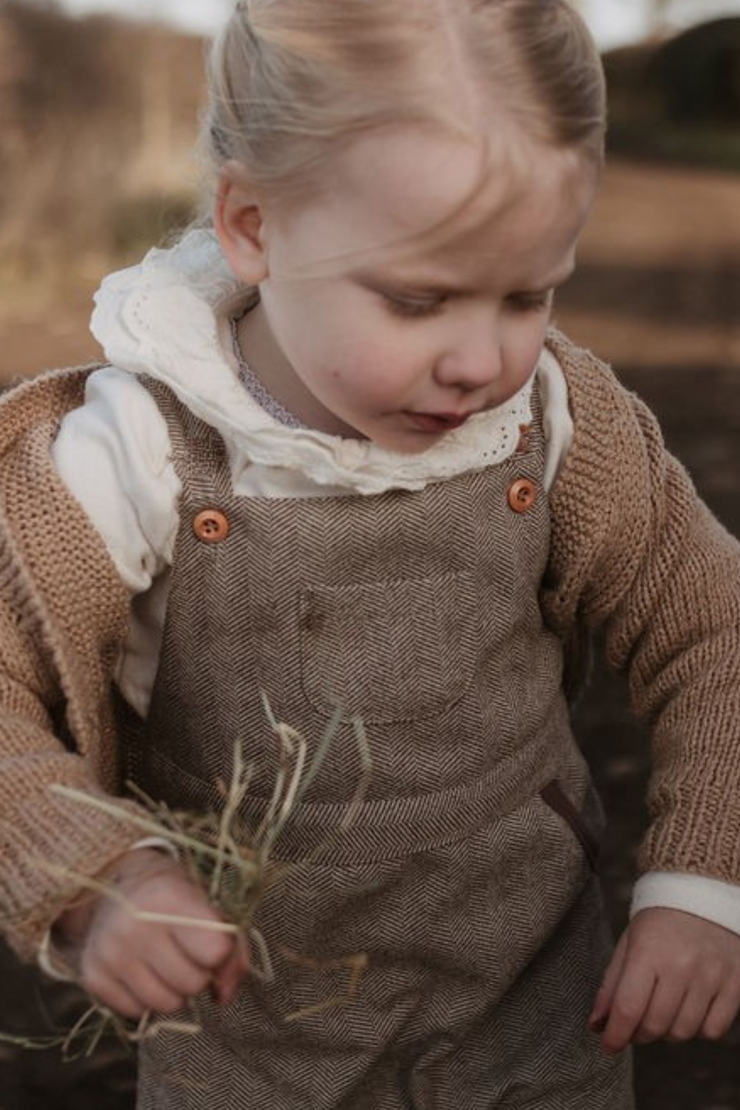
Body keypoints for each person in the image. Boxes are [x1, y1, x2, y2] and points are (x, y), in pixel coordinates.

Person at [1, 0, 740, 1106]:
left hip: (535, 1018)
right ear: (251, 225)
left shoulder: (554, 426)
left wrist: (699, 884)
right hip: (250, 1045)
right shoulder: (133, 459)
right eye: (417, 300)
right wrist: (92, 872)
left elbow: (709, 628)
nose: (478, 359)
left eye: (528, 294)